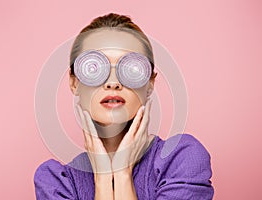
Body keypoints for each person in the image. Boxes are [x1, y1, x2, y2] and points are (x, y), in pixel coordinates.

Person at [34, 13, 214, 199]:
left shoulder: (183, 159)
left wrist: (122, 174)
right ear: (74, 83)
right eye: (94, 68)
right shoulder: (57, 181)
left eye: (131, 69)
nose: (113, 83)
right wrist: (103, 177)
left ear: (150, 83)